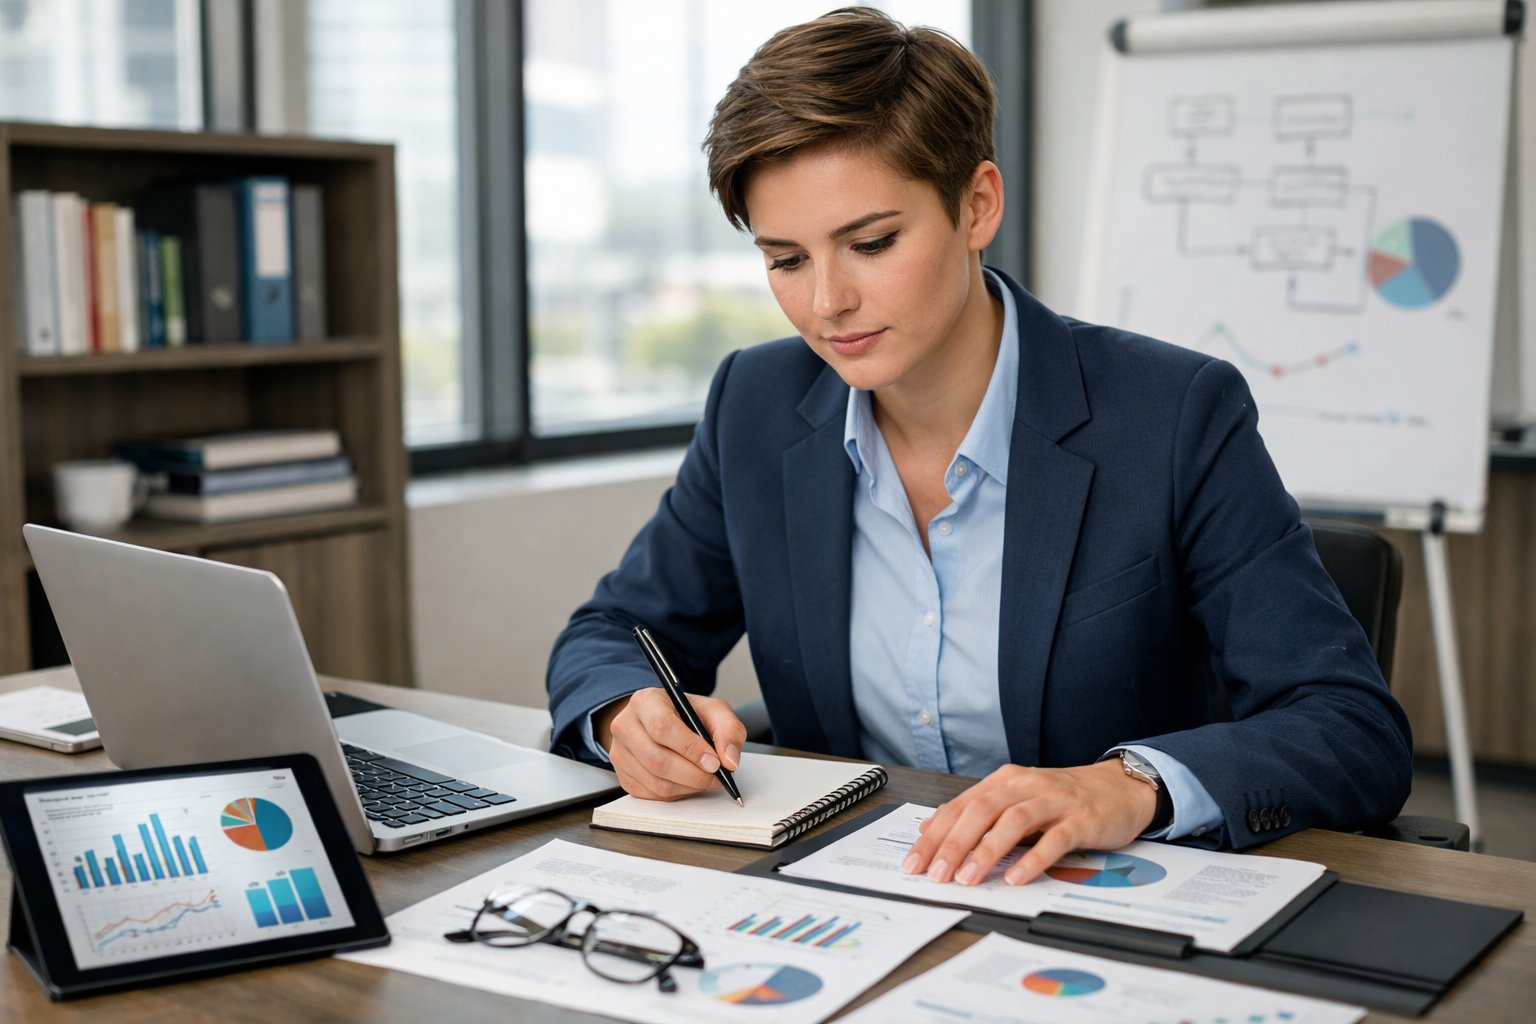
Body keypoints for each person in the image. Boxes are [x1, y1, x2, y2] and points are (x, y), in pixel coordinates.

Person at [546, 6, 1411, 887]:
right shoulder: (757, 404)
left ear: (977, 205)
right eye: (786, 259)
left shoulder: (1173, 413)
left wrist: (1129, 784)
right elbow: (612, 633)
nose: (827, 302)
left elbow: (1349, 726)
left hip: (1101, 901)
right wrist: (625, 716)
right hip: (851, 895)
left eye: (871, 243)